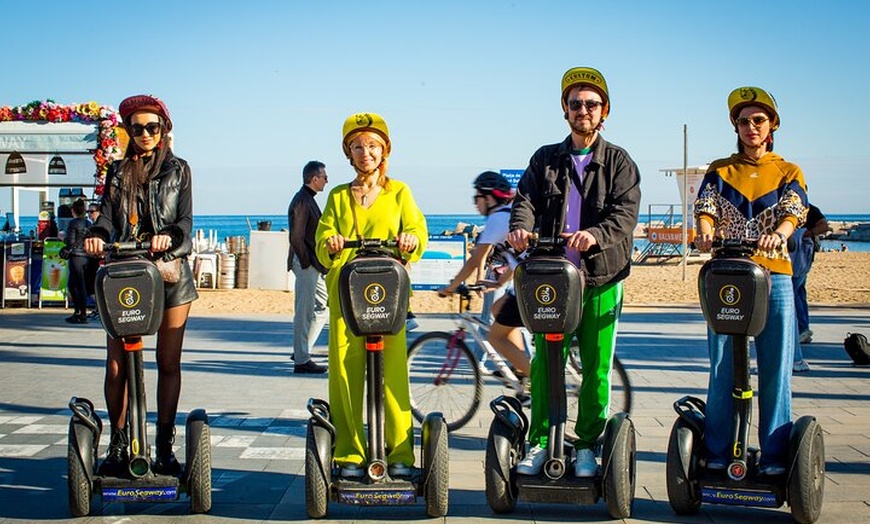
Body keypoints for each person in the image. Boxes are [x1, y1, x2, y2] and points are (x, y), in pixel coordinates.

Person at [506, 66, 641, 477]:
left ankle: (585, 445)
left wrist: (594, 235)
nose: (583, 110)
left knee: (597, 367)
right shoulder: (546, 158)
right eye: (575, 103)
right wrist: (520, 228)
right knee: (548, 364)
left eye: (591, 104)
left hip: (601, 279)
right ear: (565, 110)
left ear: (605, 112)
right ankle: (541, 441)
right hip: (553, 280)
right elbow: (525, 198)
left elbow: (626, 213)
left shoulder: (619, 161)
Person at [694, 86, 807, 476]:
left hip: (774, 275)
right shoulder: (720, 168)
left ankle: (775, 456)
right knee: (722, 366)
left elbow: (794, 208)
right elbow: (705, 206)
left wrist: (781, 232)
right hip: (728, 275)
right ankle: (718, 452)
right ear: (736, 127)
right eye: (743, 121)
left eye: (758, 120)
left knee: (776, 368)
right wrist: (705, 229)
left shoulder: (788, 170)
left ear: (772, 124)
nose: (750, 127)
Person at [84, 94, 198, 477]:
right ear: (128, 132)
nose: (145, 133)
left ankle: (164, 447)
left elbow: (185, 224)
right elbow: (104, 216)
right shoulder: (117, 172)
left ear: (163, 128)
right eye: (137, 128)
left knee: (167, 361)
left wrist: (169, 239)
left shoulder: (179, 170)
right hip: (127, 273)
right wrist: (96, 235)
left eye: (152, 126)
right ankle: (119, 445)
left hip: (168, 274)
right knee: (118, 367)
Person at [315, 112, 427, 479]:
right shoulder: (337, 196)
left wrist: (410, 241)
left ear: (384, 151)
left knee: (393, 376)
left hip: (388, 296)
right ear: (349, 153)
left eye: (373, 146)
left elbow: (416, 231)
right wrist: (330, 243)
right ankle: (348, 453)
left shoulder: (400, 192)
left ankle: (400, 453)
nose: (366, 153)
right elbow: (320, 244)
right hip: (346, 297)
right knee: (346, 376)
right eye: (358, 146)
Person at [438, 171, 530, 379]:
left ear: (488, 198)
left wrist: (451, 287)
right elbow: (515, 259)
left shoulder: (497, 218)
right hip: (529, 279)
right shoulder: (511, 213)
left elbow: (474, 260)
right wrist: (498, 283)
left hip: (528, 284)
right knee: (499, 308)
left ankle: (535, 379)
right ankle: (521, 365)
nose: (475, 204)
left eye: (476, 198)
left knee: (495, 337)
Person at [287, 160, 329, 374]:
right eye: (324, 177)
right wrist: (306, 263)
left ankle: (302, 350)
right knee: (303, 312)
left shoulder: (308, 199)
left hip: (313, 264)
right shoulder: (302, 201)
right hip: (305, 264)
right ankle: (302, 360)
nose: (326, 180)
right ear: (314, 179)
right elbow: (296, 237)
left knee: (322, 307)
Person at [790, 203, 828, 372]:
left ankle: (800, 328)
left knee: (794, 291)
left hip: (801, 256)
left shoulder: (809, 209)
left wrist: (808, 233)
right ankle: (802, 328)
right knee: (798, 291)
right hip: (796, 256)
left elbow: (824, 225)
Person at [64, 199, 97, 324]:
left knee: (74, 285)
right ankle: (81, 312)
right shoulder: (88, 223)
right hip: (87, 256)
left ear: (73, 210)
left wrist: (63, 239)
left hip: (76, 256)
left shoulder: (73, 223)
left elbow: (70, 242)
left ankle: (79, 312)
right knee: (81, 285)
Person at [86, 203, 102, 319]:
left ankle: (99, 309)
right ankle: (98, 308)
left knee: (96, 284)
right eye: (88, 212)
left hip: (99, 259)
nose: (90, 215)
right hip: (92, 259)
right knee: (91, 285)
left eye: (92, 212)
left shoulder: (102, 226)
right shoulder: (91, 226)